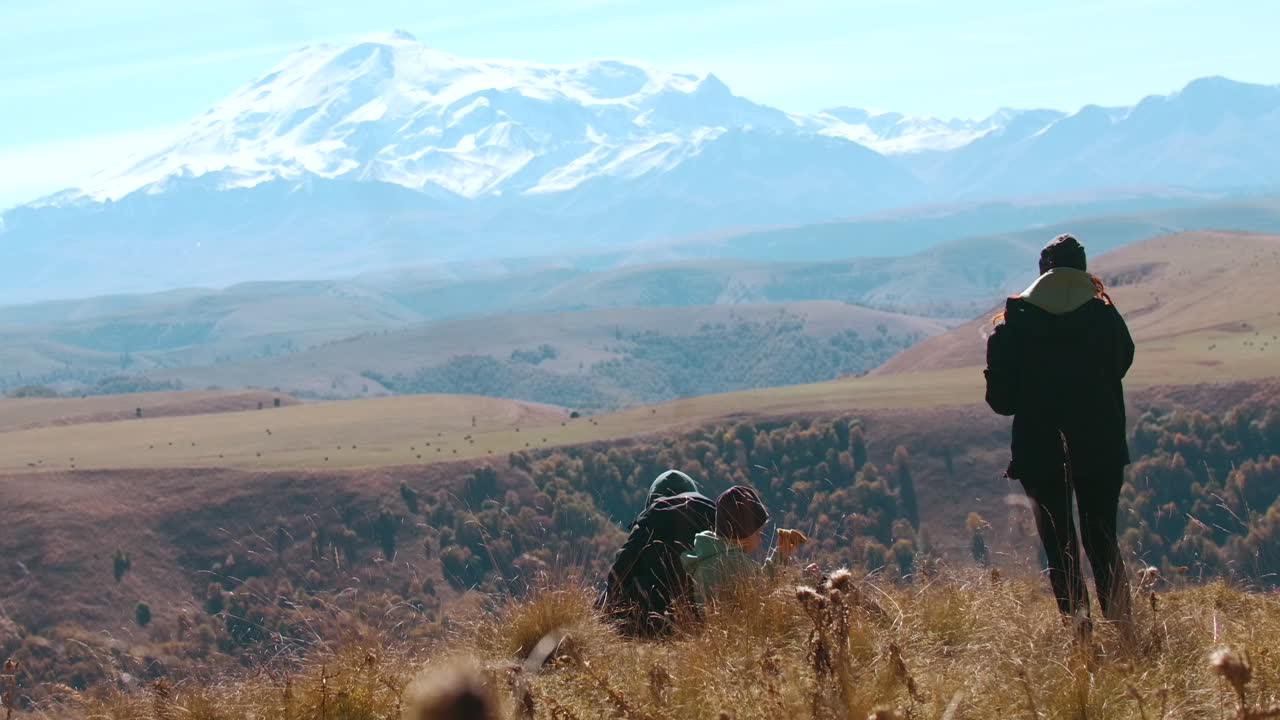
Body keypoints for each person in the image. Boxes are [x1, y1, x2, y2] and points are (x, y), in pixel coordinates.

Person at [984, 233, 1135, 637]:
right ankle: (1124, 629)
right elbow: (1121, 365)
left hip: (1039, 449)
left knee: (1059, 544)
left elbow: (1001, 401)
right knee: (1102, 536)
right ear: (1083, 270)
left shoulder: (1012, 326)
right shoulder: (1106, 318)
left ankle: (1080, 634)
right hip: (1101, 443)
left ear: (1041, 273)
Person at [599, 470, 716, 636]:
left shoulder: (647, 523)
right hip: (707, 619)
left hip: (649, 624)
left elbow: (617, 576)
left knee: (607, 597)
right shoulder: (712, 518)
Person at [680, 485, 806, 606]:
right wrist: (805, 578)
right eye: (757, 534)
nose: (759, 540)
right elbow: (763, 591)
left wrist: (780, 554)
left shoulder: (710, 554)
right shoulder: (733, 562)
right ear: (742, 533)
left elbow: (757, 584)